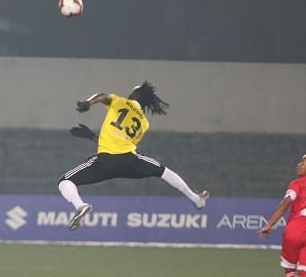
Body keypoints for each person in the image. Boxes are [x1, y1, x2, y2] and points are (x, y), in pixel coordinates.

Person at [59, 81, 209, 230]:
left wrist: (88, 103)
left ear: (135, 94)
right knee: (163, 171)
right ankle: (196, 199)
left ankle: (80, 206)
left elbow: (102, 96)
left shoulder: (120, 102)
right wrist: (92, 136)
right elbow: (121, 141)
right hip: (129, 161)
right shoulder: (144, 123)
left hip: (104, 162)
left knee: (65, 181)